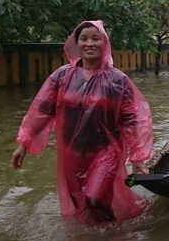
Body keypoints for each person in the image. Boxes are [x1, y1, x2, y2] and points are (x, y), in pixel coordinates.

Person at [11, 20, 153, 226]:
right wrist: (24, 143)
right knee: (79, 200)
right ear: (76, 44)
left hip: (106, 150)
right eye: (84, 39)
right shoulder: (62, 76)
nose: (89, 43)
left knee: (94, 198)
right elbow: (42, 110)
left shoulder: (117, 80)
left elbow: (135, 118)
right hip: (72, 151)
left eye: (95, 38)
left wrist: (138, 157)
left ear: (104, 43)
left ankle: (111, 237)